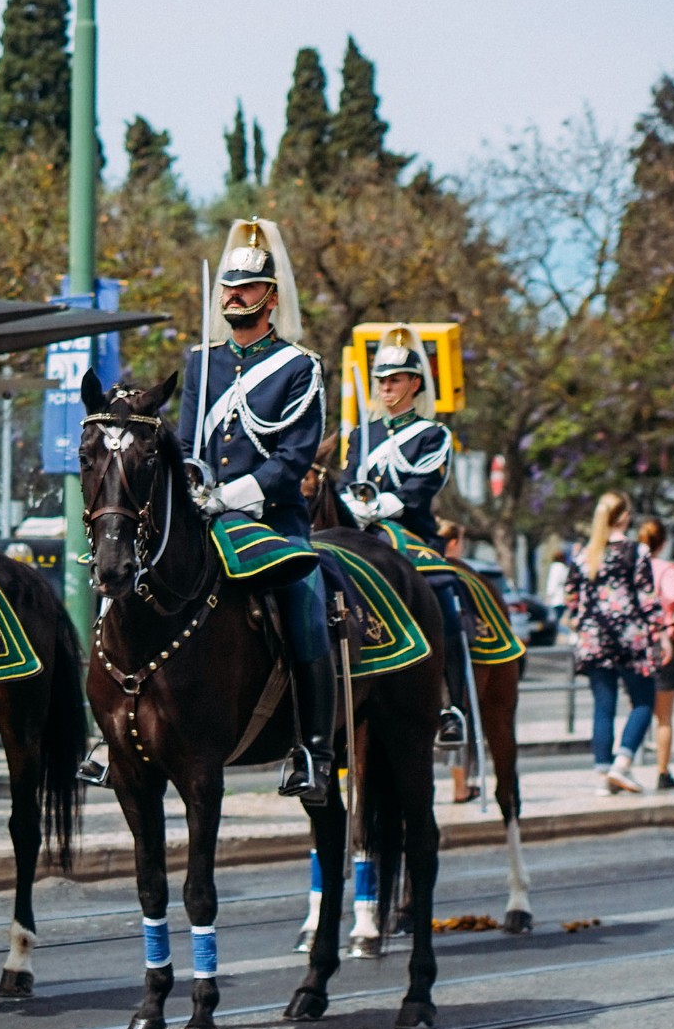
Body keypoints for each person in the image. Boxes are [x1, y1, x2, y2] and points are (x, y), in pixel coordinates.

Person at [176, 218, 333, 802]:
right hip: (204, 518)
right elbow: (187, 437)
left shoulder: (299, 367)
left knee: (304, 604)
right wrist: (188, 483)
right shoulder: (201, 361)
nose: (233, 296)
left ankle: (314, 749)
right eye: (227, 287)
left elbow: (292, 458)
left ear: (270, 295)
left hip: (271, 521)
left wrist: (232, 494)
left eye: (246, 287)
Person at [340, 324, 469, 749]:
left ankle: (453, 705)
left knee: (442, 594)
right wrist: (350, 505)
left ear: (415, 382)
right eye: (381, 381)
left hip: (409, 535)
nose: (386, 388)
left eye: (395, 380)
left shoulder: (433, 434)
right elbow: (345, 479)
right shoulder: (361, 435)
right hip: (360, 534)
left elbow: (422, 487)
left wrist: (377, 506)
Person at [564, 491, 662, 795]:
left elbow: (570, 598)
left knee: (603, 706)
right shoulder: (636, 552)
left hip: (594, 639)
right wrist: (658, 635)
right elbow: (647, 598)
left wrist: (581, 624)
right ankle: (623, 762)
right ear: (622, 516)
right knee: (644, 700)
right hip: (628, 638)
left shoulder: (584, 555)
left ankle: (603, 776)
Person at [639, 519, 674, 790]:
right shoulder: (666, 569)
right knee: (664, 716)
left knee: (639, 707)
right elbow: (673, 596)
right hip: (661, 644)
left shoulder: (631, 567)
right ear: (664, 542)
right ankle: (662, 771)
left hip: (635, 645)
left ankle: (619, 764)